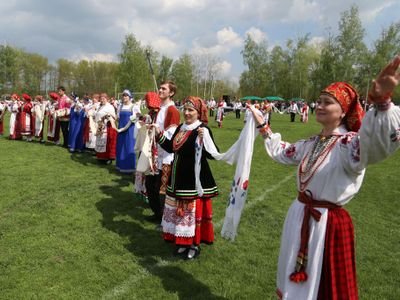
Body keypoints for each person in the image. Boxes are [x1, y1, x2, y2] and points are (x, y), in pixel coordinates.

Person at [249, 55, 400, 300]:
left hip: (326, 225)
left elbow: (374, 146)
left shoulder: (348, 144)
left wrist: (382, 103)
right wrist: (263, 127)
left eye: (327, 102)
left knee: (324, 286)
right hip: (300, 216)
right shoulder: (312, 142)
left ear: (343, 112)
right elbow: (283, 151)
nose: (319, 106)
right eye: (318, 101)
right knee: (294, 278)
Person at [155, 96, 219, 260]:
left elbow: (212, 154)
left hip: (193, 179)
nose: (187, 113)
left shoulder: (202, 129)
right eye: (185, 109)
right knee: (180, 212)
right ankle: (183, 242)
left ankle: (194, 244)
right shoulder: (180, 128)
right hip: (177, 177)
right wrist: (158, 134)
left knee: (191, 213)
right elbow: (171, 147)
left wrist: (204, 138)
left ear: (198, 113)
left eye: (191, 110)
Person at [144, 81, 180, 223]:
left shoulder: (172, 110)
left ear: (171, 93)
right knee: (149, 185)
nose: (160, 90)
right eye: (160, 88)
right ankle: (157, 213)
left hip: (165, 155)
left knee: (161, 189)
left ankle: (165, 218)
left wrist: (159, 132)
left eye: (164, 89)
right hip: (153, 153)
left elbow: (172, 134)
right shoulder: (157, 108)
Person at [115, 89, 141, 173]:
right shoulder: (120, 106)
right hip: (120, 129)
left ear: (130, 97)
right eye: (123, 95)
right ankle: (120, 166)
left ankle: (129, 168)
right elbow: (118, 118)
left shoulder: (134, 107)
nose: (124, 97)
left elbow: (137, 117)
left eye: (126, 95)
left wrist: (129, 123)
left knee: (129, 147)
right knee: (120, 147)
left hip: (130, 130)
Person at [94, 93, 117, 164]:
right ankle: (100, 157)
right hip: (100, 126)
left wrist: (107, 117)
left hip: (107, 126)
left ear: (107, 99)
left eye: (103, 98)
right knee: (99, 140)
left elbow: (114, 117)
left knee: (106, 142)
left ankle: (107, 158)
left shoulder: (110, 106)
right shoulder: (100, 106)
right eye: (101, 98)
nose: (102, 100)